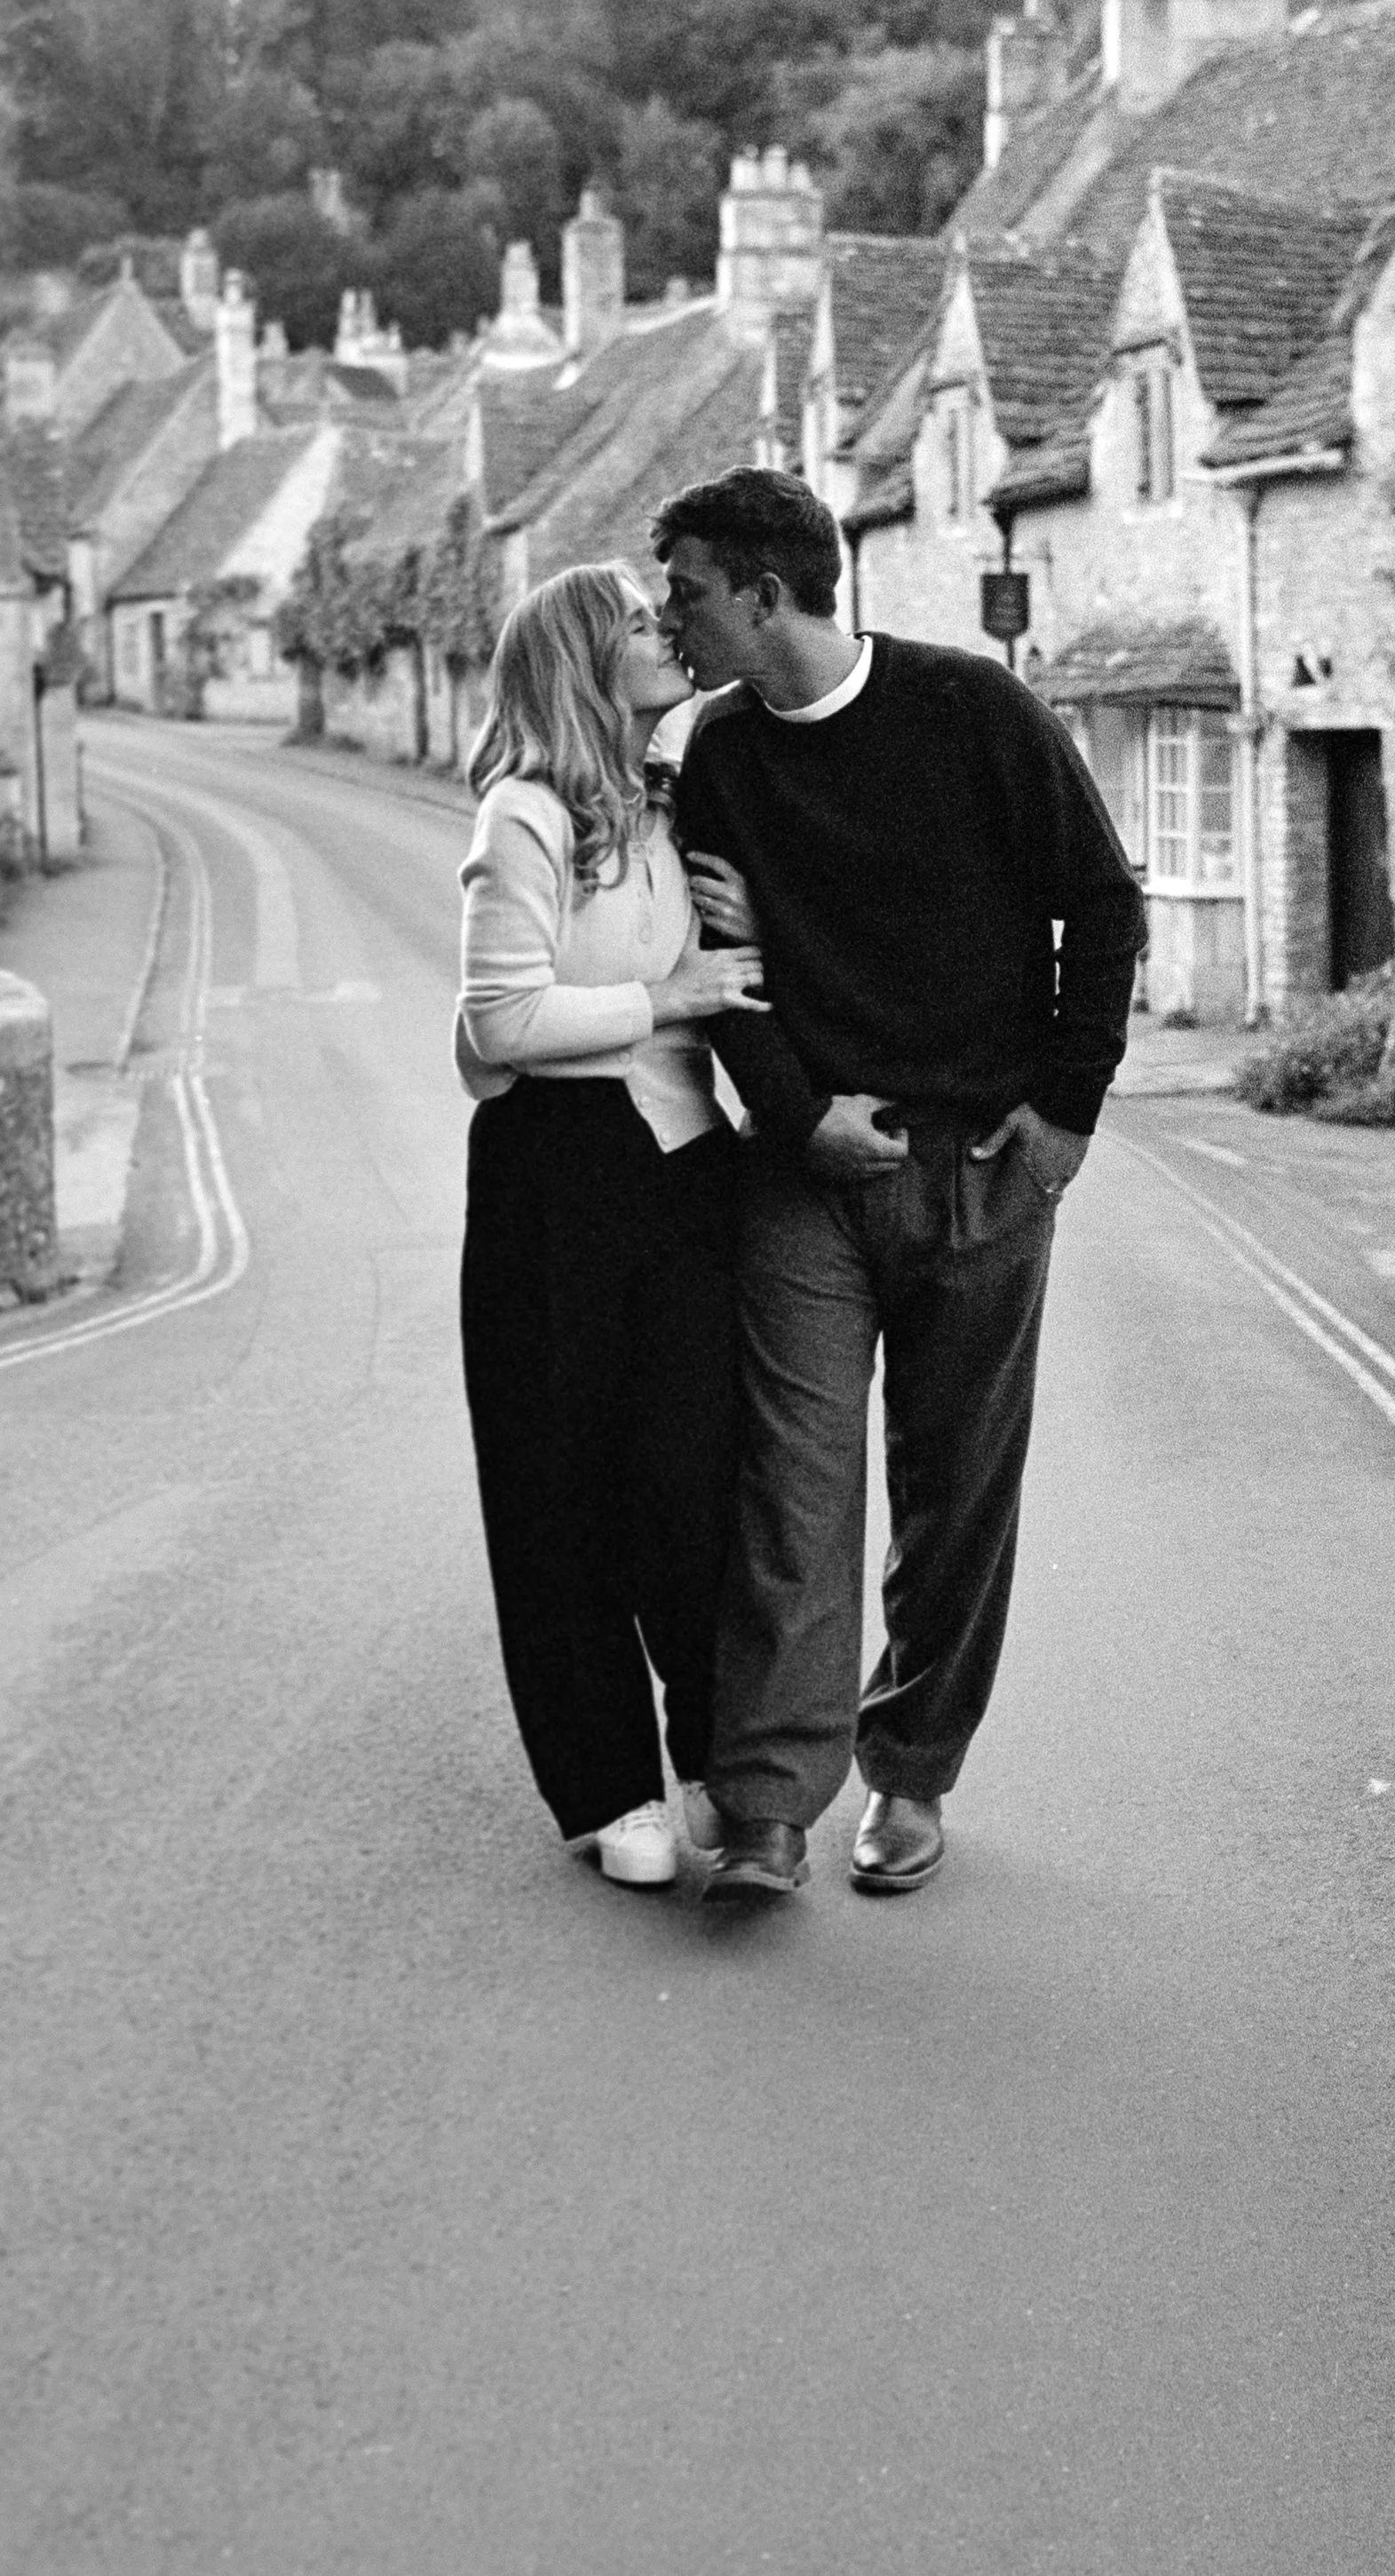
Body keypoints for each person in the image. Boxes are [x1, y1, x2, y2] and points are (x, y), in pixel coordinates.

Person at [656, 469, 1145, 1903]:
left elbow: (1101, 902)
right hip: (807, 1182)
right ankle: (767, 1804)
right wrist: (800, 1117)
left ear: (766, 593)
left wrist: (1065, 1115)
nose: (674, 621)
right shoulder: (720, 754)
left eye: (690, 593)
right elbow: (724, 970)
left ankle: (913, 1770)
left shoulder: (972, 708)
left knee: (955, 1497)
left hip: (984, 1172)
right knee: (792, 1492)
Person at [455, 561, 767, 1890]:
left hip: (688, 1170)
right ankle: (607, 1788)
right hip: (555, 1179)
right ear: (585, 662)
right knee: (559, 1486)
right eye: (640, 622)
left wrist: (745, 933)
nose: (667, 630)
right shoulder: (522, 817)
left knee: (695, 1480)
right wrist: (670, 992)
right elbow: (497, 1024)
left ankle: (709, 1760)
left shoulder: (675, 801)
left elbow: (730, 974)